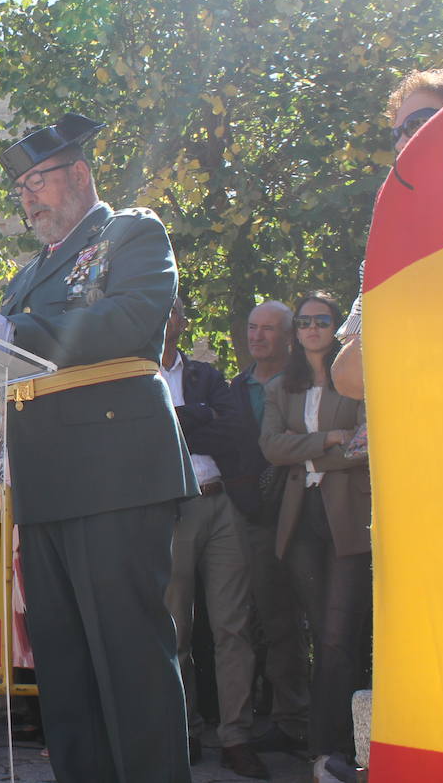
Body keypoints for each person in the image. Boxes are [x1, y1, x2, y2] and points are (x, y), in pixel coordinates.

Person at [0, 112, 196, 783]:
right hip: (45, 479)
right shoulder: (27, 274)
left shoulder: (130, 232)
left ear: (78, 173)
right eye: (20, 190)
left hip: (114, 471)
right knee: (66, 673)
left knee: (131, 658)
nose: (28, 200)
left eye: (37, 182)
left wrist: (11, 332)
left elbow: (129, 318)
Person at [260, 293, 369, 783]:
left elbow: (365, 444)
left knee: (338, 636)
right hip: (300, 519)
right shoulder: (281, 387)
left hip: (348, 519)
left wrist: (305, 453)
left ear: (336, 327)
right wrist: (327, 441)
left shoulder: (360, 381)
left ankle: (332, 750)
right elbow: (270, 446)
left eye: (321, 320)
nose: (311, 328)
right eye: (303, 321)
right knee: (321, 634)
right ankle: (327, 749)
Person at [158, 298, 267, 779]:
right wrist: (201, 418)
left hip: (221, 503)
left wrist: (179, 418)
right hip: (170, 509)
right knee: (175, 627)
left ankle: (236, 737)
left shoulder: (206, 375)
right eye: (158, 311)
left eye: (173, 312)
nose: (165, 320)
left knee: (233, 627)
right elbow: (147, 440)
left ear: (183, 322)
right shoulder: (135, 376)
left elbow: (234, 432)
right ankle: (184, 728)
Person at [331, 67, 443, 400]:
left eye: (416, 124)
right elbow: (349, 377)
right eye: (396, 133)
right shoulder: (390, 250)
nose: (400, 143)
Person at [229, 301, 310, 756]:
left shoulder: (306, 383)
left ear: (289, 336)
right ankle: (282, 717)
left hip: (301, 511)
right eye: (252, 327)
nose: (257, 337)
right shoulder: (236, 387)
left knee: (301, 618)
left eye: (269, 329)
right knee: (266, 619)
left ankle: (301, 720)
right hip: (251, 515)